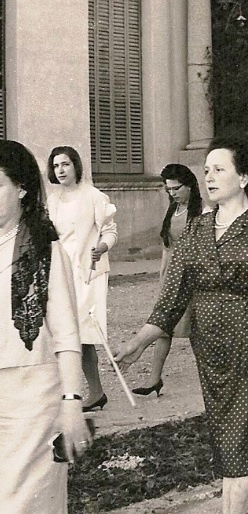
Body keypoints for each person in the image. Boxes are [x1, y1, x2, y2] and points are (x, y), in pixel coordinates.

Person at [115, 137, 248, 514]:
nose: (209, 176)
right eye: (206, 170)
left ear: (244, 177)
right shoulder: (196, 232)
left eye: (220, 169)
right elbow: (171, 299)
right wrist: (139, 341)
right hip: (214, 357)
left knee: (237, 449)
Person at [0, 140, 92, 512]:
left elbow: (68, 335)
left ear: (21, 188)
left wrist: (71, 403)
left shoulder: (44, 251)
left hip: (33, 398)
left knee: (21, 504)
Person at [47, 146, 117, 412]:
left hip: (88, 272)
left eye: (65, 164)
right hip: (61, 271)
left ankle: (92, 391)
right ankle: (77, 391)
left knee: (82, 333)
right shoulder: (53, 200)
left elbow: (110, 231)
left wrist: (102, 247)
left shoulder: (94, 196)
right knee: (62, 331)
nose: (61, 170)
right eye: (56, 166)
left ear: (76, 165)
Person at [132, 164, 204, 396]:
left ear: (190, 185)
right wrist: (162, 277)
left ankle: (212, 376)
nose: (172, 193)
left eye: (176, 188)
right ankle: (154, 378)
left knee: (197, 331)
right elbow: (167, 247)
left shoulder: (203, 211)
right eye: (168, 189)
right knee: (163, 327)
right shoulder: (173, 211)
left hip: (194, 278)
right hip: (173, 277)